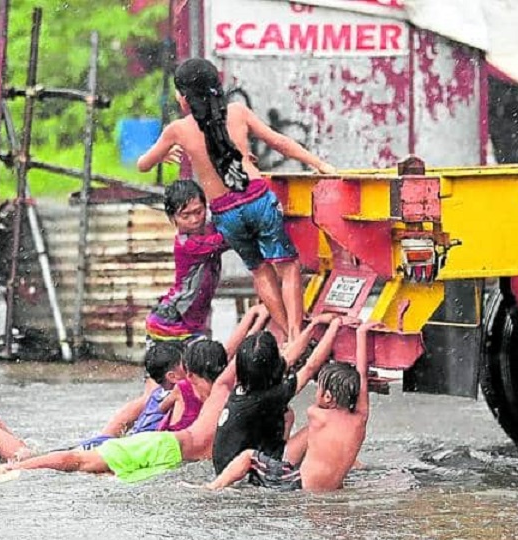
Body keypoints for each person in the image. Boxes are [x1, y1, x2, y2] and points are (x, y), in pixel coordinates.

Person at [0, 306, 269, 483]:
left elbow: (226, 361)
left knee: (41, 458)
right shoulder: (190, 391)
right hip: (136, 448)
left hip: (137, 449)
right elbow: (227, 365)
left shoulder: (196, 390)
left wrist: (257, 322)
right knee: (33, 460)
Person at [134, 57, 335, 341]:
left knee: (259, 270)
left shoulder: (177, 130)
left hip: (225, 213)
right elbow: (279, 142)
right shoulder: (238, 111)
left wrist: (164, 152)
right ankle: (296, 331)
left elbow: (143, 164)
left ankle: (289, 340)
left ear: (184, 98)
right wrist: (320, 164)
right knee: (287, 266)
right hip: (257, 199)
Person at [208, 320, 375, 492]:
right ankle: (211, 488)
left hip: (237, 459)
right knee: (291, 422)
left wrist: (313, 326)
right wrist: (337, 328)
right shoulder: (357, 418)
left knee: (288, 416)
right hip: (241, 473)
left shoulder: (247, 386)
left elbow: (290, 358)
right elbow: (311, 368)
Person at [145, 180, 228, 342]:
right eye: (185, 216)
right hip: (171, 321)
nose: (195, 220)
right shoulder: (188, 245)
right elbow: (228, 239)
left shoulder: (208, 227)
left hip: (194, 319)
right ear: (173, 218)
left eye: (199, 211)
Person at [74, 340, 187, 451]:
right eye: (187, 363)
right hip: (140, 447)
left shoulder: (156, 393)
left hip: (130, 441)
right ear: (172, 377)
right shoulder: (179, 396)